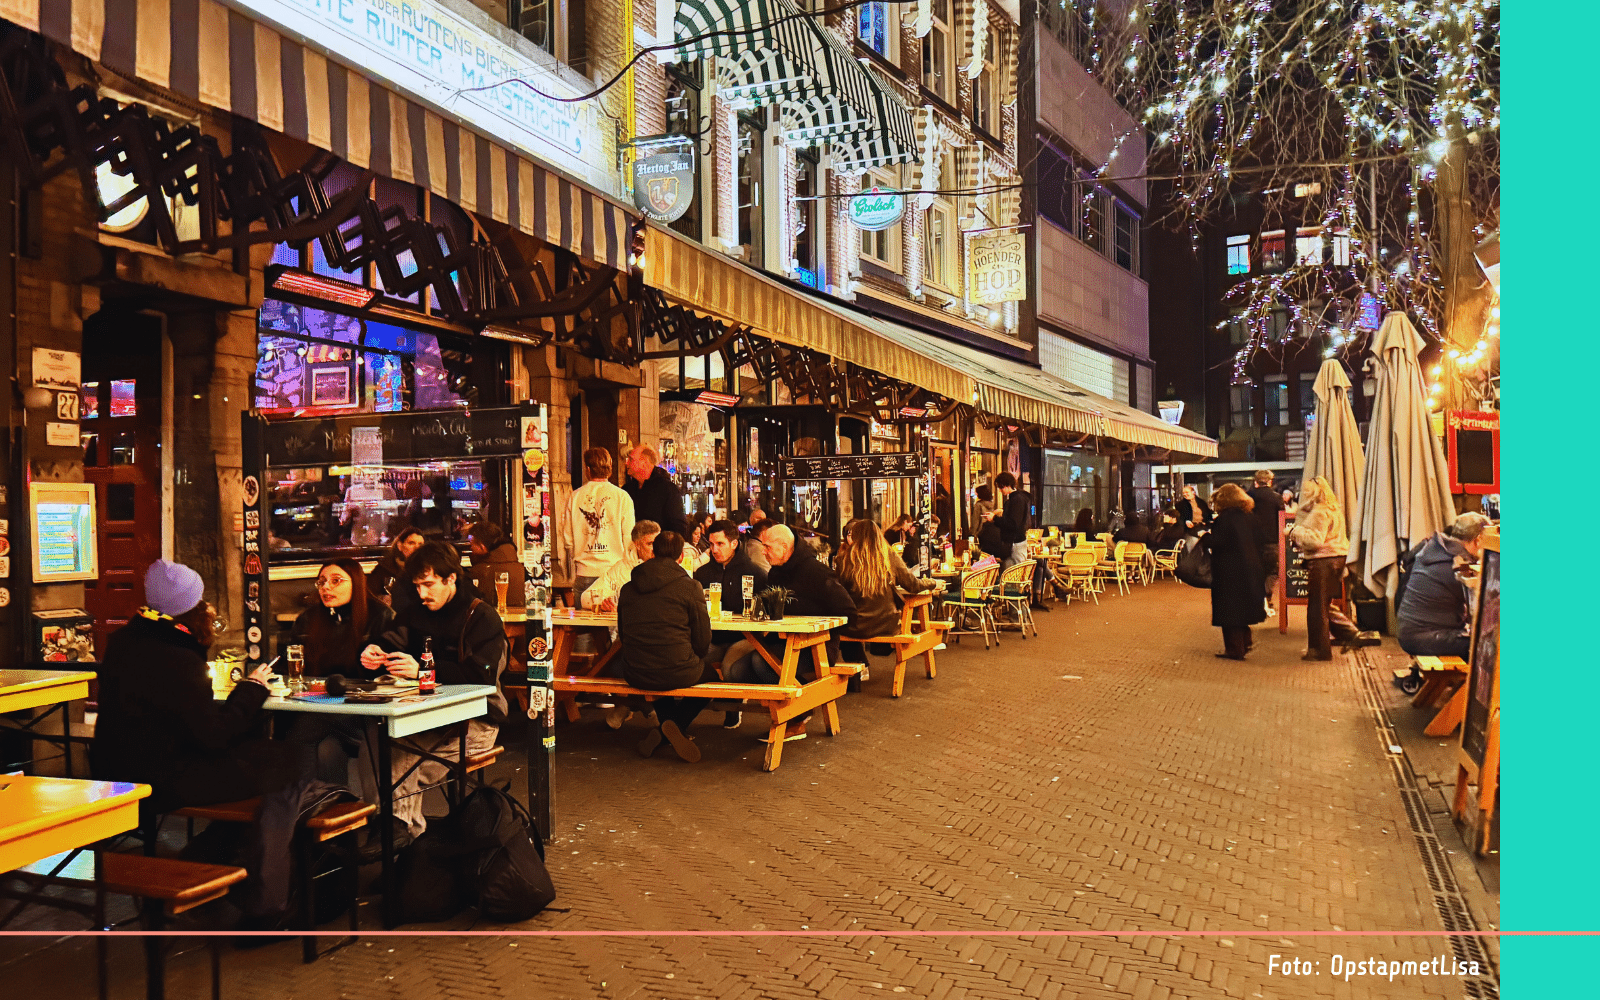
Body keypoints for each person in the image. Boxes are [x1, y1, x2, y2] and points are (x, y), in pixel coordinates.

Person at [92, 560, 290, 814]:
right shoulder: (180, 658)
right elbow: (214, 737)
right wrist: (251, 687)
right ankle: (235, 848)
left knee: (257, 758)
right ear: (192, 609)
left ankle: (226, 845)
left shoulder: (122, 642)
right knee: (289, 761)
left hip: (112, 770)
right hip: (162, 781)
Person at [361, 543, 507, 840]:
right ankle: (404, 839)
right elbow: (392, 640)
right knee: (391, 752)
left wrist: (422, 671)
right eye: (417, 586)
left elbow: (483, 677)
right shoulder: (417, 613)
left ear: (451, 579)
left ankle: (400, 833)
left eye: (429, 585)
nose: (422, 594)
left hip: (477, 718)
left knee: (400, 769)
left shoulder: (482, 617)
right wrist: (375, 652)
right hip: (426, 717)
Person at [725, 525, 856, 741]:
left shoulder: (817, 573)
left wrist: (814, 626)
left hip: (817, 646)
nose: (763, 551)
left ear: (784, 547)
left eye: (767, 547)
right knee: (736, 672)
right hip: (782, 643)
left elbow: (849, 613)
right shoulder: (776, 572)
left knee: (761, 662)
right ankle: (795, 703)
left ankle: (797, 716)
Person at [286, 559, 394, 784]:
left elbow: (388, 671)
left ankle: (291, 799)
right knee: (327, 749)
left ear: (356, 583)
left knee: (299, 732)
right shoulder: (308, 619)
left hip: (365, 711)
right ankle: (333, 807)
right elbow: (288, 671)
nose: (326, 587)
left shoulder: (379, 616)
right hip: (319, 704)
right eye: (321, 582)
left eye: (336, 581)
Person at [616, 531, 715, 762]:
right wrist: (693, 656)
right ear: (681, 557)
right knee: (713, 677)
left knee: (662, 673)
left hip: (635, 671)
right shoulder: (690, 587)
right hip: (676, 670)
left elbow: (623, 634)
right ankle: (673, 729)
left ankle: (666, 730)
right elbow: (702, 640)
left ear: (653, 551)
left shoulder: (628, 589)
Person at [1287, 477, 1376, 660]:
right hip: (1337, 558)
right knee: (1323, 604)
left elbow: (1315, 541)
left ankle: (1319, 650)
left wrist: (1293, 532)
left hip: (1323, 562)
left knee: (1317, 607)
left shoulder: (1320, 512)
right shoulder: (1334, 510)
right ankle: (1350, 633)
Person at [836, 519, 934, 662]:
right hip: (886, 623)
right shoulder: (889, 556)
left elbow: (840, 593)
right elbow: (913, 585)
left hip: (855, 625)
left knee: (838, 631)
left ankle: (858, 668)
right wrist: (931, 583)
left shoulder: (844, 559)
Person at [1396, 512, 1492, 658]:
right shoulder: (1456, 562)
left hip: (1412, 633)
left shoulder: (1439, 550)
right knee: (1489, 646)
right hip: (1425, 637)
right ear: (1478, 540)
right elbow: (1483, 603)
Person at [561, 447, 636, 605]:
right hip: (612, 575)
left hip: (583, 574)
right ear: (609, 469)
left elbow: (567, 540)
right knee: (613, 628)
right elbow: (629, 539)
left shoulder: (574, 497)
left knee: (582, 629)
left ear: (587, 469)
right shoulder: (622, 497)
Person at [1202, 485, 1266, 660]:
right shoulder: (1250, 516)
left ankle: (1234, 648)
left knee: (1229, 609)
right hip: (1251, 568)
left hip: (1229, 570)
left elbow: (1218, 541)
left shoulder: (1225, 519)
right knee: (1243, 607)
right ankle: (1245, 641)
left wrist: (1205, 537)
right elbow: (1261, 540)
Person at [582, 520, 662, 612]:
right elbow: (586, 597)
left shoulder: (669, 567)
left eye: (658, 543)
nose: (655, 549)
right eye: (650, 544)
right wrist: (603, 603)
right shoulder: (620, 569)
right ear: (637, 544)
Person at [624, 443, 688, 537]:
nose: (626, 463)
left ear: (644, 463)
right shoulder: (627, 490)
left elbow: (679, 528)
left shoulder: (667, 489)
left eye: (631, 459)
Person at [1246, 470, 1287, 617]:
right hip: (1272, 541)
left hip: (1251, 541)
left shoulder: (1247, 497)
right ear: (1270, 482)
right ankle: (1266, 596)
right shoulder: (1276, 498)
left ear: (1255, 482)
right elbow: (1283, 519)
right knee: (1272, 571)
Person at [467, 521, 526, 611]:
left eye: (472, 544)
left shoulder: (479, 572)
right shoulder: (521, 569)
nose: (470, 548)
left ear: (482, 546)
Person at [368, 526, 426, 616]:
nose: (417, 548)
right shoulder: (386, 568)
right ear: (400, 545)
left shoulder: (427, 569)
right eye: (411, 543)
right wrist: (381, 599)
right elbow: (369, 593)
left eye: (420, 544)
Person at [994, 472, 1033, 569]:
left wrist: (995, 519)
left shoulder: (1016, 500)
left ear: (1007, 485)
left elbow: (1013, 524)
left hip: (1015, 543)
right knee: (1010, 574)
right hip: (1014, 543)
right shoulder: (1016, 499)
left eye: (1001, 487)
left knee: (1016, 573)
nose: (1000, 490)